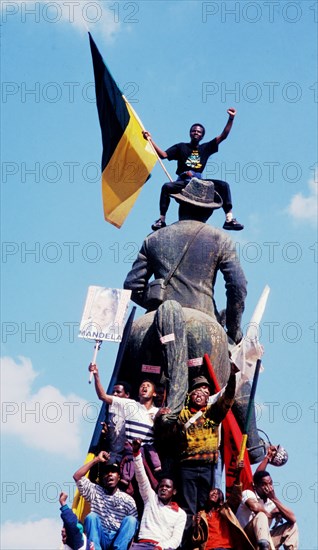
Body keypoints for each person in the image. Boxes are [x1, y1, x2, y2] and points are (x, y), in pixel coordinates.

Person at [123, 178, 263, 465]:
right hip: (205, 328)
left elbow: (132, 286)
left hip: (149, 328)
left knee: (124, 382)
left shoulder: (153, 239)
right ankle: (256, 452)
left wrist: (154, 304)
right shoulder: (220, 239)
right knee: (239, 385)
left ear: (179, 207)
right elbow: (237, 287)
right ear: (209, 212)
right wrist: (233, 331)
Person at [143, 108, 243, 231]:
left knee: (224, 185)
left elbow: (223, 136)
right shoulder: (181, 147)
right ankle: (161, 220)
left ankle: (229, 219)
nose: (196, 133)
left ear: (202, 135)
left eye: (199, 132)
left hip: (199, 182)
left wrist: (231, 118)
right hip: (184, 182)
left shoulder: (206, 147)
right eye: (193, 131)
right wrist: (150, 140)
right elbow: (163, 155)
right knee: (166, 187)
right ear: (190, 133)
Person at [176, 369, 236, 546]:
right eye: (197, 390)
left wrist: (231, 376)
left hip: (208, 466)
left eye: (205, 391)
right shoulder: (182, 415)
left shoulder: (211, 414)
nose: (201, 394)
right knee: (187, 508)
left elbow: (227, 400)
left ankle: (202, 543)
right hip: (187, 466)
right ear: (190, 394)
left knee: (204, 506)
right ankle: (186, 544)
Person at [89, 364, 162, 484]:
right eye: (142, 386)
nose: (144, 387)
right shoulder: (130, 404)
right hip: (129, 454)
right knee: (126, 484)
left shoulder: (158, 412)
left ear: (154, 393)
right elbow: (102, 396)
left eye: (148, 386)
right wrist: (96, 375)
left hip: (146, 457)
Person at [73, 451, 138, 550]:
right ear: (102, 478)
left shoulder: (127, 500)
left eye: (113, 472)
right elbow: (77, 476)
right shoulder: (95, 491)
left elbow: (133, 528)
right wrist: (96, 460)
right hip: (100, 537)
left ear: (119, 477)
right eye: (106, 473)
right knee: (91, 517)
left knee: (132, 520)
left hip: (118, 538)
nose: (110, 474)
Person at [130, 438, 187, 550]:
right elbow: (141, 476)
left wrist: (160, 547)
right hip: (142, 545)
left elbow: (176, 540)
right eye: (161, 486)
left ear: (174, 491)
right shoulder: (150, 498)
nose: (163, 489)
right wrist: (136, 453)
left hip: (163, 547)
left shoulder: (181, 514)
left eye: (167, 487)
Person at [192, 462, 255, 550]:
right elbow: (196, 540)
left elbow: (236, 495)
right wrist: (196, 526)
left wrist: (238, 474)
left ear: (222, 501)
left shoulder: (226, 510)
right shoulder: (201, 515)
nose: (214, 493)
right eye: (212, 492)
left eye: (218, 493)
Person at [236, 469, 299, 549]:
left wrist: (274, 498)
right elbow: (255, 507)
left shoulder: (271, 502)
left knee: (292, 527)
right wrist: (270, 515)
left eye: (270, 483)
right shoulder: (248, 493)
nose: (268, 487)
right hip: (245, 539)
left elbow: (293, 518)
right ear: (255, 486)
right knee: (261, 515)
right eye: (264, 484)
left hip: (262, 542)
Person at [100, 380, 132, 464]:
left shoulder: (133, 412)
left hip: (126, 457)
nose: (114, 394)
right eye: (113, 392)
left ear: (127, 395)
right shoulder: (108, 412)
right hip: (110, 456)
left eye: (118, 392)